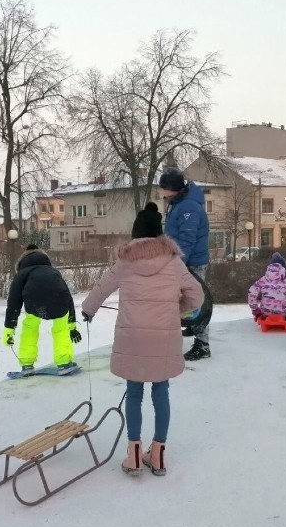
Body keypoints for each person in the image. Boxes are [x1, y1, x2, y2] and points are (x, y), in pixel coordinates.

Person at [81, 203, 204, 476]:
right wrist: (176, 309)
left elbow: (101, 289)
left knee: (134, 392)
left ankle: (134, 455)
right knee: (161, 391)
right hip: (164, 337)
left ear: (135, 234)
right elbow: (197, 295)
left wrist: (88, 310)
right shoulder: (174, 262)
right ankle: (158, 455)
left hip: (132, 337)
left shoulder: (125, 262)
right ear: (159, 234)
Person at [3, 244, 81, 374]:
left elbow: (13, 303)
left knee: (30, 327)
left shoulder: (22, 273)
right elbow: (67, 297)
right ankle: (64, 361)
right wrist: (72, 325)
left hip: (34, 304)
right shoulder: (53, 271)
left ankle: (27, 363)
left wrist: (9, 330)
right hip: (59, 301)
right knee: (61, 328)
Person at [159, 167, 211, 360]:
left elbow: (186, 241)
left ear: (174, 188)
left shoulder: (188, 207)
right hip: (182, 261)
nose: (162, 192)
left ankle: (202, 344)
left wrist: (177, 265)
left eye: (164, 188)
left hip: (192, 262)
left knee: (197, 302)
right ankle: (184, 335)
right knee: (182, 302)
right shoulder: (177, 202)